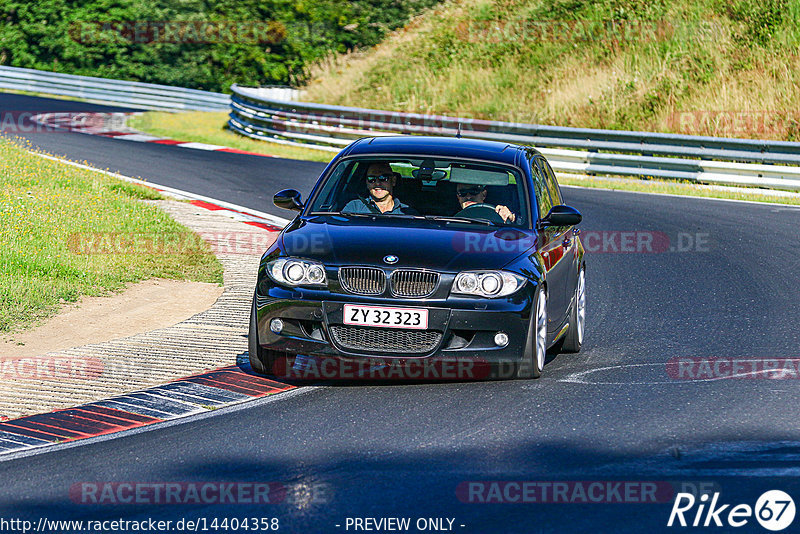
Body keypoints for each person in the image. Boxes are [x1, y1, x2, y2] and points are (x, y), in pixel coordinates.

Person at [342, 162, 419, 215]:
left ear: (393, 181)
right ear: (366, 183)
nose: (377, 183)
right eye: (371, 179)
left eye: (383, 178)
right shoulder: (354, 208)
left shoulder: (408, 212)